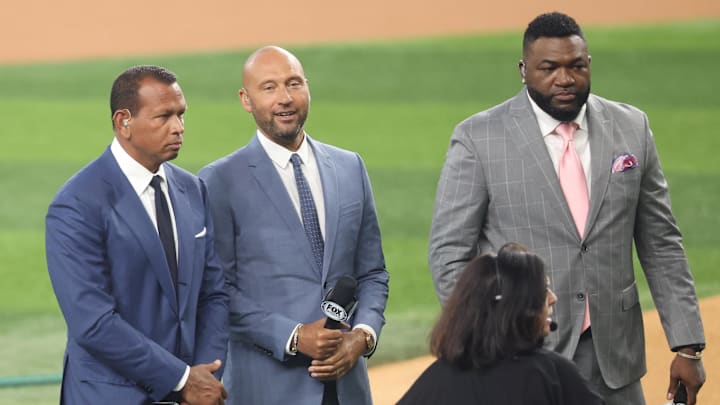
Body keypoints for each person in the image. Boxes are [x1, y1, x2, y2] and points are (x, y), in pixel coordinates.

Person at [428, 12, 706, 405]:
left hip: (615, 359)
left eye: (575, 66)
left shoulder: (632, 127)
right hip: (522, 357)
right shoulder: (478, 138)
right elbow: (449, 255)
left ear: (588, 64)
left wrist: (688, 345)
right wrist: (491, 338)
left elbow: (661, 243)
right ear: (524, 71)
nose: (565, 78)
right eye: (549, 68)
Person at [199, 46, 389, 405]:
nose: (285, 98)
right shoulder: (219, 181)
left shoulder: (350, 168)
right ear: (246, 99)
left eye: (293, 84)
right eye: (268, 88)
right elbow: (216, 292)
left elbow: (373, 272)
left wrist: (362, 336)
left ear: (307, 88)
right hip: (266, 390)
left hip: (347, 387)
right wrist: (294, 336)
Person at [46, 65, 229, 405]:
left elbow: (214, 293)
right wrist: (182, 379)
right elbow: (93, 323)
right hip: (110, 397)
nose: (179, 128)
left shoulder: (192, 189)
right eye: (164, 117)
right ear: (123, 122)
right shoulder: (77, 204)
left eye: (181, 115)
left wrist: (206, 373)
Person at [399, 243, 604, 404]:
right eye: (543, 290)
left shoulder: (435, 380)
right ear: (517, 306)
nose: (553, 298)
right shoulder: (553, 374)